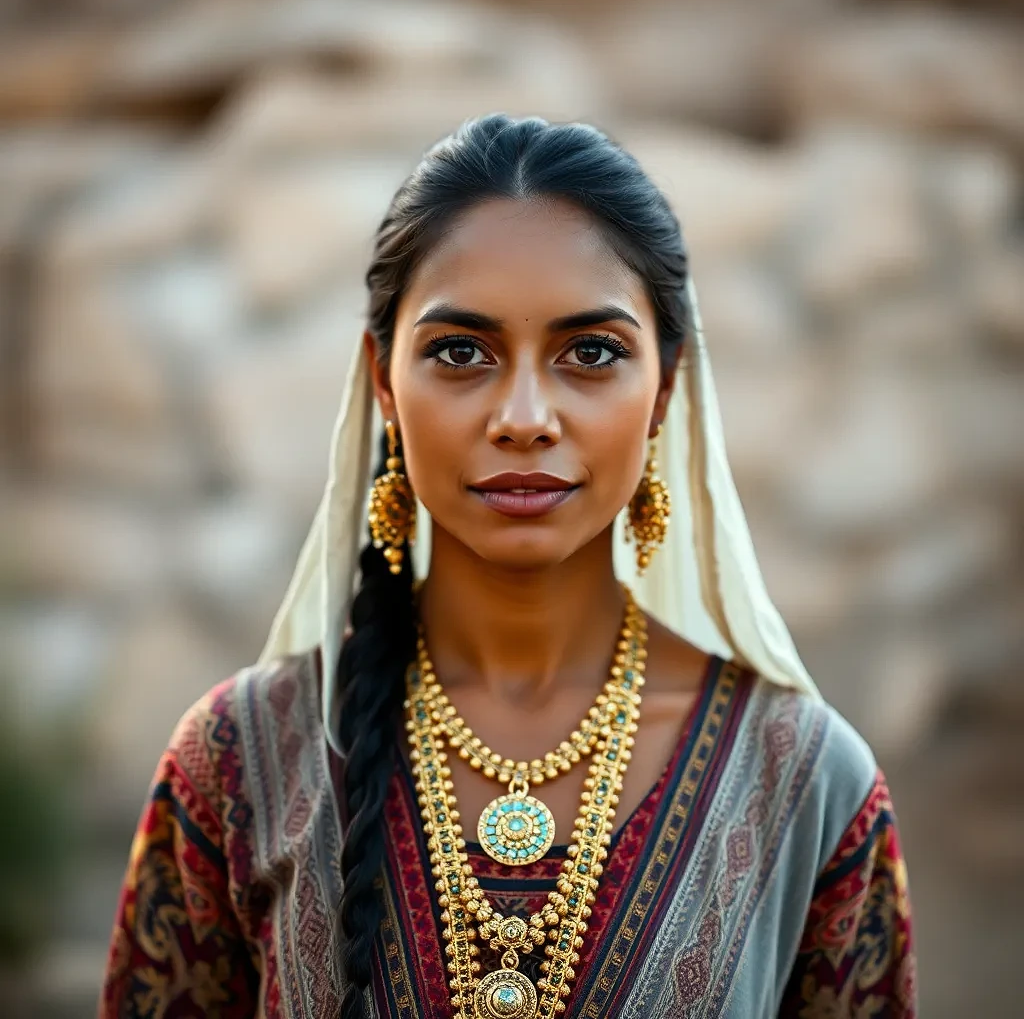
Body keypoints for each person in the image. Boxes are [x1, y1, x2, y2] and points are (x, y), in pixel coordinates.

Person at [99, 114, 916, 1019]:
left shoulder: (804, 781)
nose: (524, 415)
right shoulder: (239, 765)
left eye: (591, 353)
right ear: (381, 381)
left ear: (665, 391)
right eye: (461, 353)